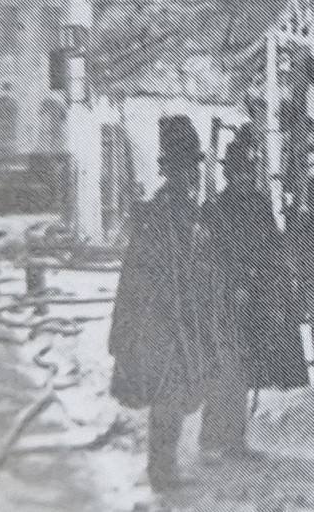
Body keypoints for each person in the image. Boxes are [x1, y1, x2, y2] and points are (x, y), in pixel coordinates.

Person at [110, 115, 210, 490]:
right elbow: (144, 270)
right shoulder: (163, 212)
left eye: (193, 168)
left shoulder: (182, 208)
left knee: (177, 390)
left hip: (178, 316)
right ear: (173, 171)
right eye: (187, 168)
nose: (193, 175)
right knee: (169, 390)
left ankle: (164, 467)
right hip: (161, 319)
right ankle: (162, 471)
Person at [199, 127, 308, 456]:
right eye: (239, 173)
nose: (244, 179)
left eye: (248, 173)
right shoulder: (217, 209)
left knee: (246, 368)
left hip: (259, 298)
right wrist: (235, 285)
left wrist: (281, 288)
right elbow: (213, 257)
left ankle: (234, 439)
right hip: (227, 299)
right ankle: (213, 438)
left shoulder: (259, 204)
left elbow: (273, 248)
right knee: (225, 367)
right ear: (229, 175)